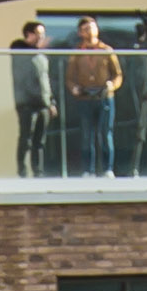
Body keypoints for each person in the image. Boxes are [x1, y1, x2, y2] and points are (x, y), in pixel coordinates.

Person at [60, 16, 123, 176]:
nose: (90, 31)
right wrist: (74, 88)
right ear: (80, 32)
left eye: (93, 27)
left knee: (105, 132)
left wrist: (111, 85)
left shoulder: (106, 50)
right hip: (85, 97)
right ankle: (88, 170)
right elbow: (69, 77)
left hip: (104, 96)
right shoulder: (77, 52)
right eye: (86, 29)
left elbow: (118, 75)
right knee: (87, 134)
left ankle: (108, 169)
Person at [7, 17, 56, 176]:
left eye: (43, 34)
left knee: (39, 142)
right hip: (26, 103)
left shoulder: (41, 56)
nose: (42, 37)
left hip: (42, 103)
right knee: (25, 139)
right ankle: (22, 171)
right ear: (29, 34)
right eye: (39, 34)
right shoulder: (18, 48)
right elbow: (22, 60)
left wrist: (51, 102)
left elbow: (45, 80)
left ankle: (38, 172)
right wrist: (36, 49)